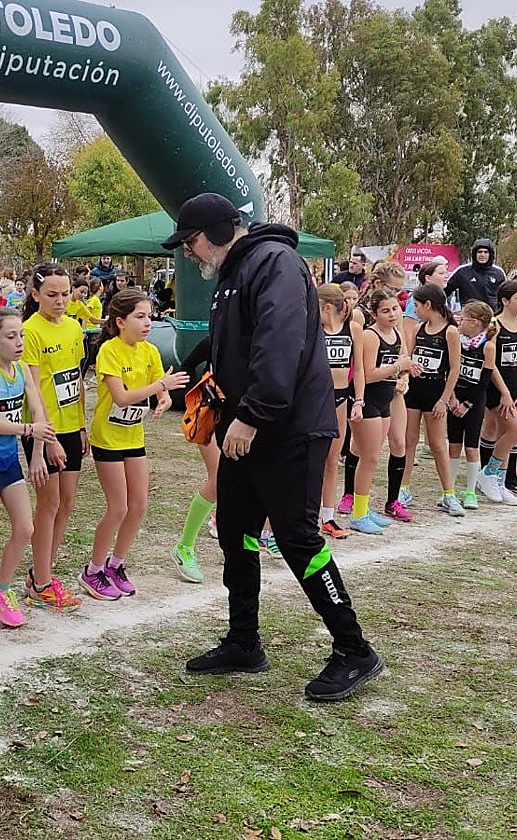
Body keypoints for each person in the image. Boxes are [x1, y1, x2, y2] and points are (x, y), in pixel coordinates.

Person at [164, 192, 382, 702]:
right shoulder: (234, 273)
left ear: (217, 232)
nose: (188, 254)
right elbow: (224, 339)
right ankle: (244, 641)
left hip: (287, 431)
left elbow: (278, 344)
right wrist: (179, 371)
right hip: (245, 431)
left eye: (191, 242)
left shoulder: (274, 262)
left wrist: (252, 415)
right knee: (236, 531)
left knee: (297, 537)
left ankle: (354, 650)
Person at [85, 288, 188, 600]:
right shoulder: (109, 351)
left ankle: (116, 565)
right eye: (140, 317)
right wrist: (160, 386)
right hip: (107, 438)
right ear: (120, 321)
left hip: (133, 437)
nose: (147, 323)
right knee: (118, 507)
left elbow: (163, 393)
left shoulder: (150, 352)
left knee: (139, 505)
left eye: (149, 317)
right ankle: (93, 570)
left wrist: (163, 399)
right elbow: (121, 397)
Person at [0, 308, 56, 632]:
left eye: (21, 335)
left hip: (9, 462)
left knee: (25, 528)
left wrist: (37, 456)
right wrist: (28, 431)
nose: (19, 342)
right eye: (11, 336)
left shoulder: (21, 370)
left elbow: (38, 409)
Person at [21, 264, 85, 612]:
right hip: (43, 429)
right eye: (52, 295)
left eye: (65, 294)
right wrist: (50, 438)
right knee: (49, 503)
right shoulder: (29, 331)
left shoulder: (75, 327)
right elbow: (33, 388)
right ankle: (42, 582)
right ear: (35, 295)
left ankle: (41, 572)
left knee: (68, 502)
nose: (60, 301)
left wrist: (81, 426)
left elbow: (74, 378)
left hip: (72, 425)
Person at [349, 288, 410, 535]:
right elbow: (368, 373)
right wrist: (397, 366)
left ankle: (363, 506)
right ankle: (358, 513)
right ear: (374, 313)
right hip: (370, 400)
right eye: (385, 311)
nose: (392, 314)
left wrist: (404, 373)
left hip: (386, 400)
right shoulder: (370, 336)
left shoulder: (396, 332)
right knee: (369, 457)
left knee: (374, 457)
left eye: (395, 308)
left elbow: (398, 363)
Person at [402, 284, 464, 516]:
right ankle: (403, 488)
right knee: (408, 441)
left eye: (417, 306)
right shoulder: (419, 328)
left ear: (429, 305)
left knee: (438, 445)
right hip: (414, 392)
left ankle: (449, 493)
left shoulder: (450, 331)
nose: (415, 310)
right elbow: (409, 356)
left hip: (436, 393)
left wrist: (444, 399)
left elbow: (455, 368)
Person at [475, 279, 517, 504]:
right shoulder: (495, 325)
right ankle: (489, 472)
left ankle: (500, 480)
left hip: (516, 387)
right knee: (516, 431)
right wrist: (505, 393)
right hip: (496, 386)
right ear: (505, 300)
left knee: (508, 434)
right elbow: (491, 363)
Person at [315, 284, 363, 539]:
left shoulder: (352, 329)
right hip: (316, 399)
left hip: (342, 398)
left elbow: (360, 369)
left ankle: (328, 516)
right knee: (312, 460)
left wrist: (359, 400)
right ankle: (308, 513)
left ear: (328, 307)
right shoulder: (312, 330)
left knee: (332, 460)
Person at [170, 336, 219, 582]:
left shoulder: (261, 338)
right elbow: (188, 364)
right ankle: (185, 546)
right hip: (210, 415)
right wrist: (200, 393)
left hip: (241, 416)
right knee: (218, 478)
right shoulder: (215, 339)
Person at [448, 301, 505, 509]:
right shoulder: (456, 341)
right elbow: (450, 370)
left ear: (474, 322)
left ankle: (470, 490)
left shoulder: (487, 346)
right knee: (453, 445)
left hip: (474, 401)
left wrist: (467, 404)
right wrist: (452, 398)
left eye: (462, 318)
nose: (459, 322)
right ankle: (450, 489)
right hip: (456, 397)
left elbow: (484, 381)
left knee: (471, 447)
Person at [446, 239, 505, 308]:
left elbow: (506, 296)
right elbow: (444, 291)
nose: (482, 255)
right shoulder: (462, 271)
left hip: (493, 315)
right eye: (480, 252)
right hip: (469, 316)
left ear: (490, 254)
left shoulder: (498, 272)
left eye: (486, 252)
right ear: (474, 254)